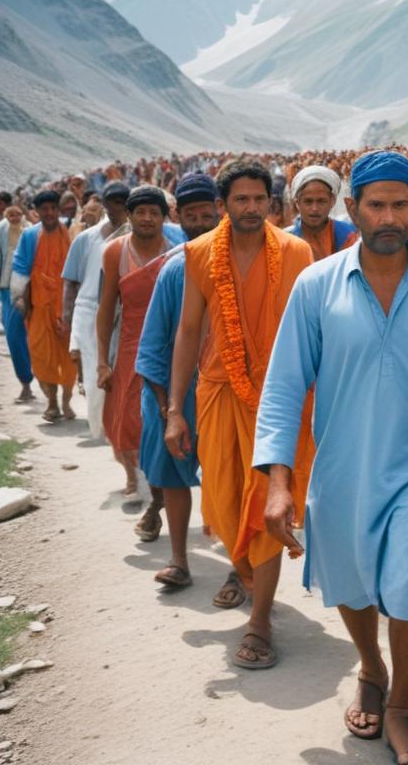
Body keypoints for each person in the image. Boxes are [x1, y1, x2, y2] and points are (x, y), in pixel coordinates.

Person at [257, 150, 408, 765]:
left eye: (400, 205)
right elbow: (283, 386)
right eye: (376, 205)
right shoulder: (316, 285)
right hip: (343, 469)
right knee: (352, 581)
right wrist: (279, 483)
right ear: (352, 208)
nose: (389, 218)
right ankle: (370, 663)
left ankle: (401, 705)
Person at [166, 158, 313, 670]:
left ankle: (261, 621)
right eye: (240, 200)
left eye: (259, 200)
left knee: (267, 506)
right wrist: (173, 411)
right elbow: (187, 330)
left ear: (272, 204)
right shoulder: (200, 253)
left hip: (282, 398)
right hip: (217, 393)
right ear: (223, 205)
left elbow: (314, 334)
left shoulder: (297, 252)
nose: (251, 209)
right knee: (226, 501)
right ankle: (245, 572)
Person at [136, 174, 223, 589]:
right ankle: (179, 560)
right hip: (177, 393)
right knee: (171, 476)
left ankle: (241, 568)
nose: (202, 222)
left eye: (209, 214)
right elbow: (154, 345)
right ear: (180, 218)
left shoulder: (241, 266)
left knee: (231, 479)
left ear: (220, 212)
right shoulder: (174, 272)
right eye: (193, 216)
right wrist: (168, 409)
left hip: (228, 391)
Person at [96, 186, 181, 540]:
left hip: (175, 346)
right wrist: (103, 361)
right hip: (131, 349)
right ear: (128, 216)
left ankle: (160, 504)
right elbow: (106, 311)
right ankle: (155, 500)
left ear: (165, 217)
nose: (147, 218)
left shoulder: (178, 249)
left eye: (154, 212)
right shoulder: (115, 252)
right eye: (140, 212)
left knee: (170, 428)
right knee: (134, 428)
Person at [62, 181, 129, 447]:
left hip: (126, 312)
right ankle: (101, 429)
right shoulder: (86, 239)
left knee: (124, 371)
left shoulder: (138, 237)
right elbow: (71, 281)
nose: (117, 211)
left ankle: (121, 428)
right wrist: (69, 318)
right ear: (104, 206)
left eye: (122, 205)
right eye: (112, 205)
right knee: (94, 374)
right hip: (90, 311)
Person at [10, 190, 78, 423]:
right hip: (39, 308)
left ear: (58, 210)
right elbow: (19, 265)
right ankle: (51, 404)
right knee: (40, 357)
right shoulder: (29, 236)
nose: (49, 213)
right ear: (36, 212)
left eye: (52, 208)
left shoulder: (71, 234)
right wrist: (19, 297)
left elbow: (78, 270)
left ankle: (67, 401)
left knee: (69, 358)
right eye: (44, 209)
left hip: (67, 308)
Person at [0, 205, 33, 402]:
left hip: (33, 287)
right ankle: (26, 383)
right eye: (11, 214)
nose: (14, 217)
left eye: (17, 214)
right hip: (8, 288)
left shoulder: (31, 230)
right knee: (14, 336)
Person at [288, 165, 357, 259]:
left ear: (332, 201)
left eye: (321, 201)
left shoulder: (347, 235)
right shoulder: (286, 239)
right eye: (308, 201)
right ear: (297, 203)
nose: (314, 208)